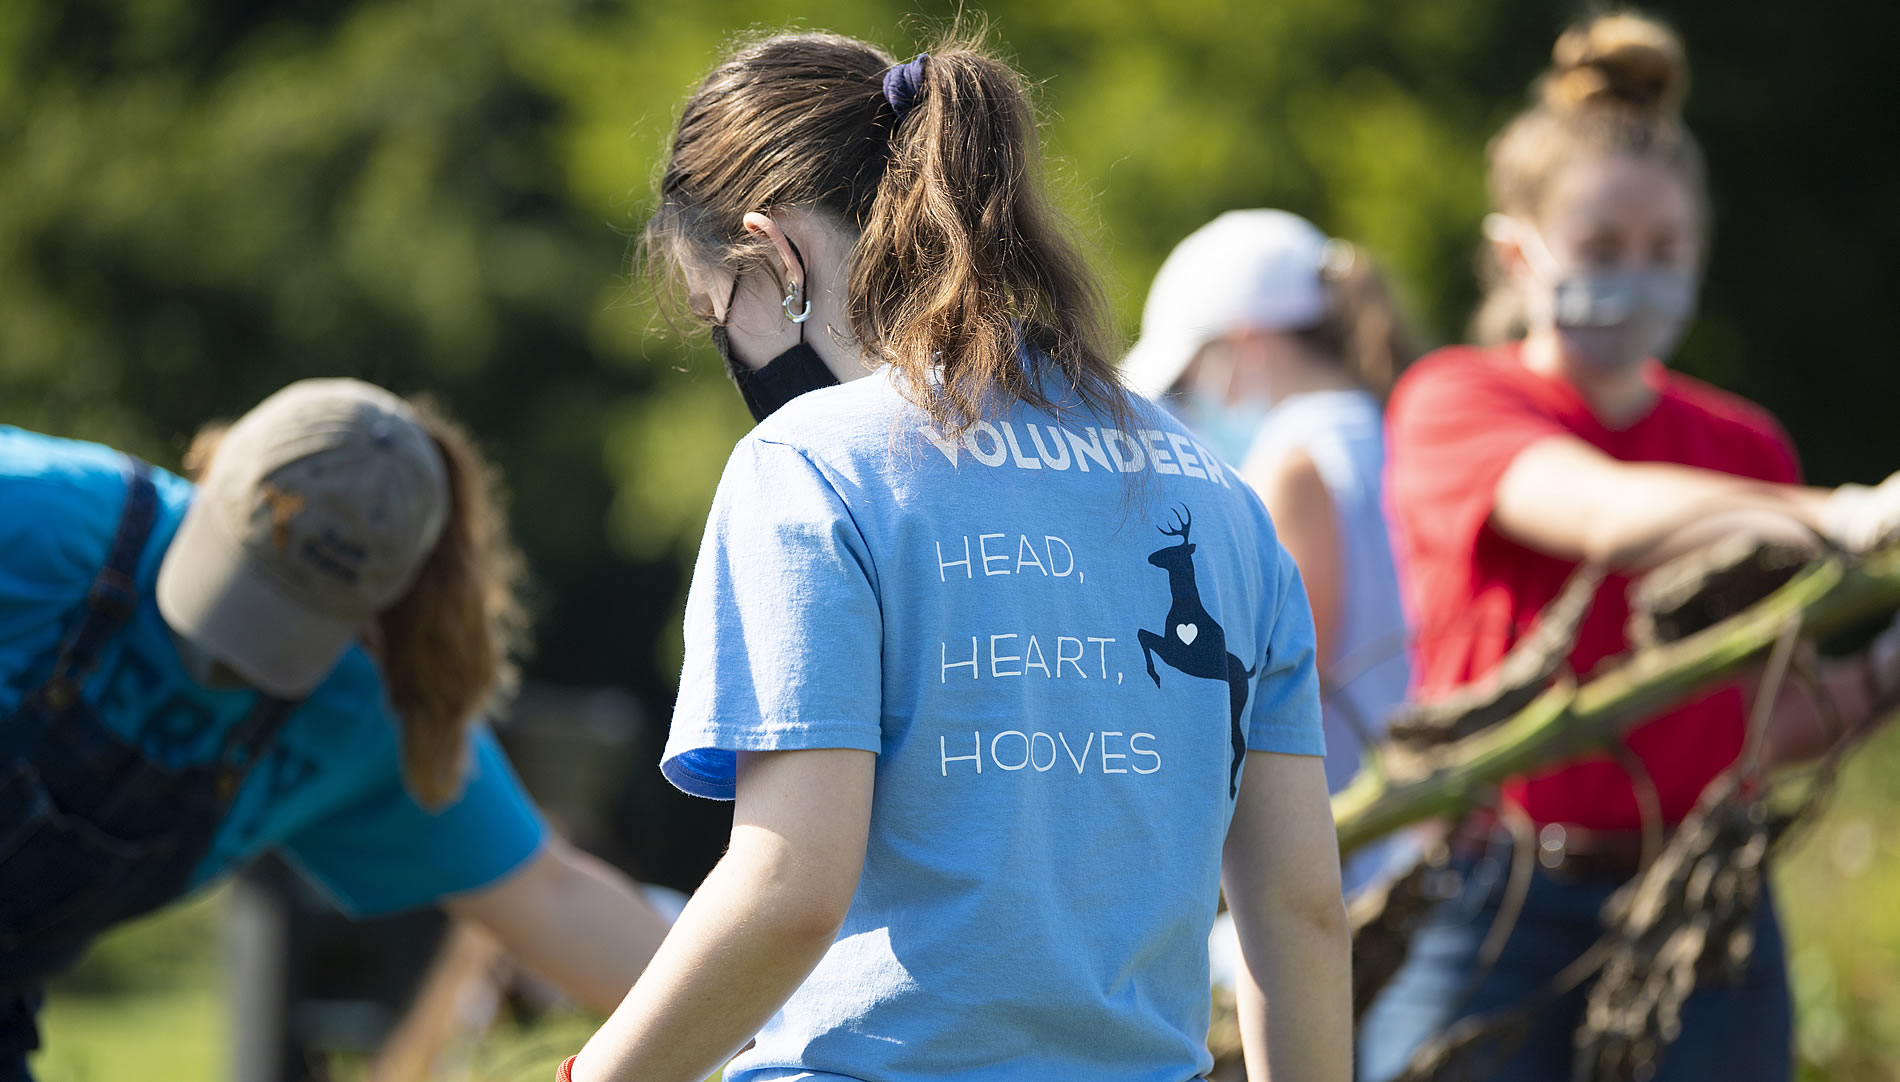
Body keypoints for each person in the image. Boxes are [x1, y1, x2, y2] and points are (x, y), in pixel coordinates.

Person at [563, 31, 1349, 1082]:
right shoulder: (1216, 490)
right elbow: (1300, 911)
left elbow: (788, 889)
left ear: (777, 252)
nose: (733, 355)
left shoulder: (806, 464)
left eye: (720, 314)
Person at [1358, 14, 1900, 1082]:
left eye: (1666, 250)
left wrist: (1880, 678)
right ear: (1519, 253)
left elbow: (1755, 722)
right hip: (1496, 896)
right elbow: (1600, 514)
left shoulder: (1742, 443)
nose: (1639, 276)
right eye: (1602, 249)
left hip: (1700, 900)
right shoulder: (1457, 398)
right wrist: (1842, 511)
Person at [0, 379, 671, 1082]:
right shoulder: (40, 515)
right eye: (240, 582)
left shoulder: (363, 718)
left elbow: (549, 899)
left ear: (378, 613)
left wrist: (775, 1030)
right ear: (210, 470)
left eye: (284, 623)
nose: (227, 659)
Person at [1125, 208, 1420, 898]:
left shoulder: (1293, 462)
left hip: (1345, 864)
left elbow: (1270, 691)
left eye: (1190, 380)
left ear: (1247, 344)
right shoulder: (1386, 430)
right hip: (1402, 845)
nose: (1188, 409)